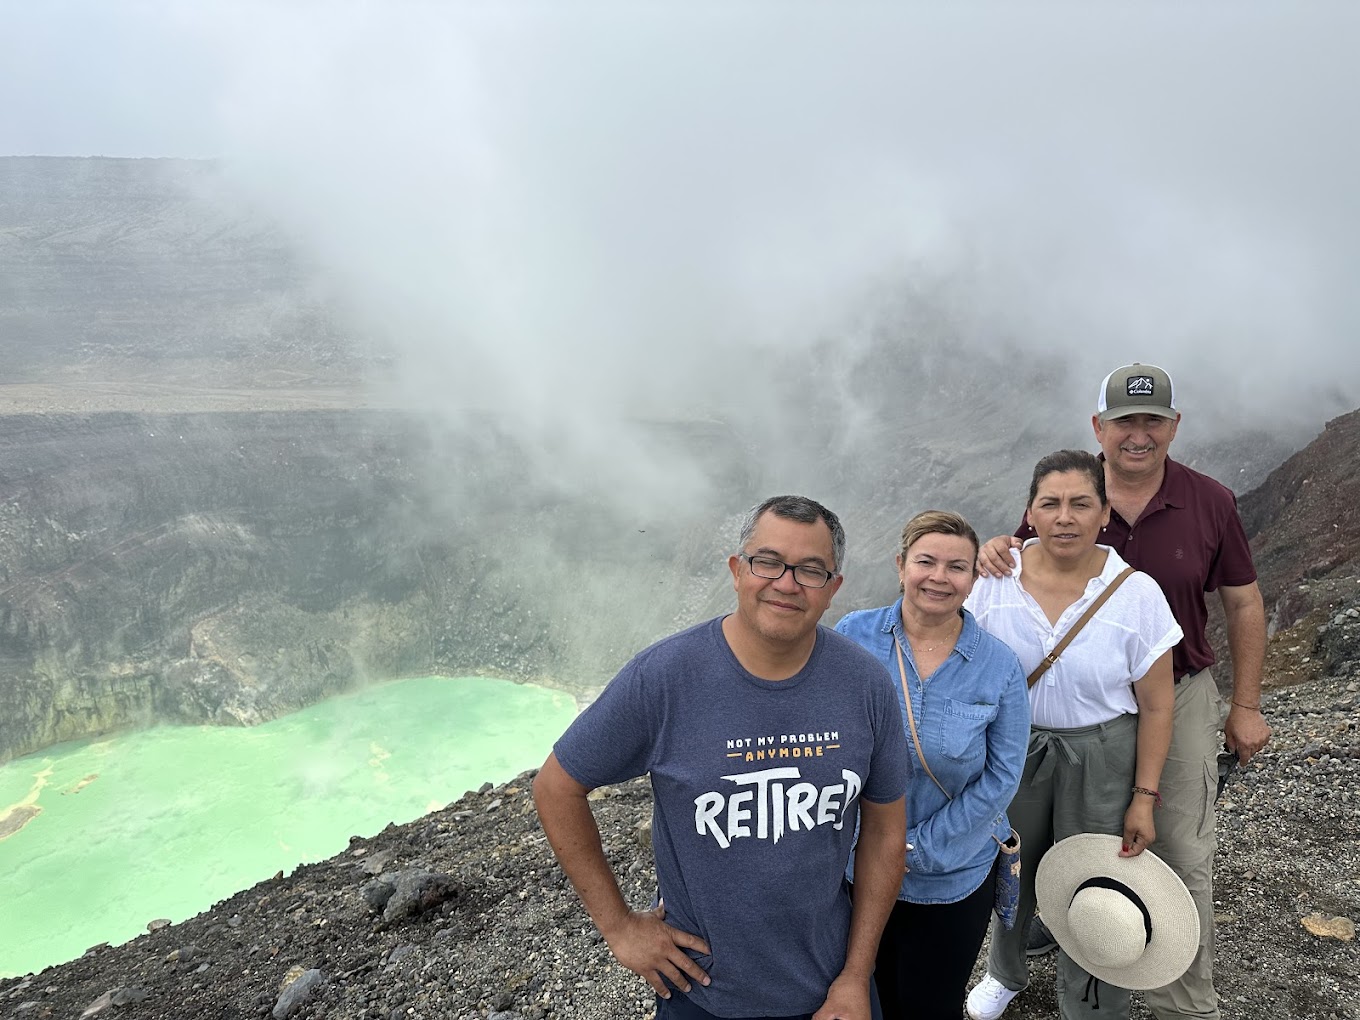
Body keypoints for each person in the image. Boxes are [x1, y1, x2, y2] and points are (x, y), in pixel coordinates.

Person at [532, 495, 911, 1020]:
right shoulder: (664, 678)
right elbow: (555, 786)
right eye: (768, 562)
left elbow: (886, 833)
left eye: (810, 570)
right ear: (737, 570)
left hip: (831, 994)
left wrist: (855, 976)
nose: (786, 582)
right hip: (701, 995)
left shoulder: (865, 683)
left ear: (833, 589)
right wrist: (619, 927)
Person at [977, 364, 1272, 1020]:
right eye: (1123, 422)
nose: (1137, 435)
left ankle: (1184, 1002)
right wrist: (993, 548)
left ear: (1173, 426)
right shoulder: (1069, 492)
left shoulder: (1210, 502)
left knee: (1177, 846)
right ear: (1098, 427)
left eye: (1152, 422)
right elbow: (1020, 571)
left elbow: (1244, 604)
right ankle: (1040, 949)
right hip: (1075, 708)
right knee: (1042, 841)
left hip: (1179, 690)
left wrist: (1245, 705)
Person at [964, 449, 1180, 1020]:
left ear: (1104, 513)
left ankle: (1089, 1000)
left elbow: (1158, 705)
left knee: (1097, 880)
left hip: (1103, 752)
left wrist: (1144, 796)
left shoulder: (1136, 593)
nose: (1065, 517)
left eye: (1081, 503)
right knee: (1011, 867)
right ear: (1028, 514)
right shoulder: (992, 581)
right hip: (1015, 748)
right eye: (1050, 504)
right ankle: (1004, 971)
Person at [834, 510, 1030, 1020]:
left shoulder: (998, 664)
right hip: (854, 866)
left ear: (973, 579)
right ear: (901, 566)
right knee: (859, 995)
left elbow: (1002, 776)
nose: (939, 577)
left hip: (951, 876)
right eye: (926, 561)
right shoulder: (853, 636)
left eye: (957, 567)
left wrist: (914, 848)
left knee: (929, 1005)